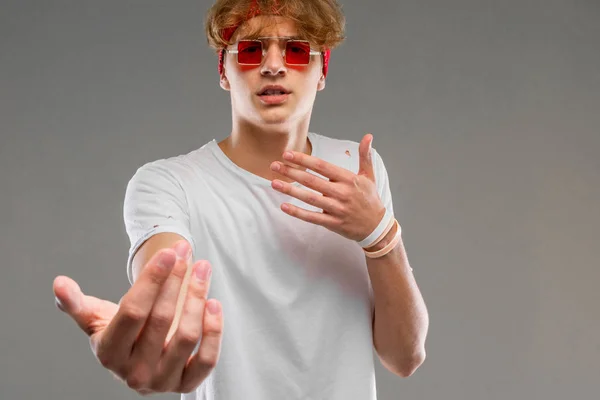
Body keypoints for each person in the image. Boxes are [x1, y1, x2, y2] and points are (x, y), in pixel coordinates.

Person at [52, 0, 429, 399]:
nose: (273, 65)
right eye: (250, 51)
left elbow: (404, 357)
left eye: (297, 50)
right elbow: (167, 287)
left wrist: (380, 235)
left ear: (322, 72)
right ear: (224, 72)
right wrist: (149, 334)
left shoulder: (358, 171)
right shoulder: (169, 183)